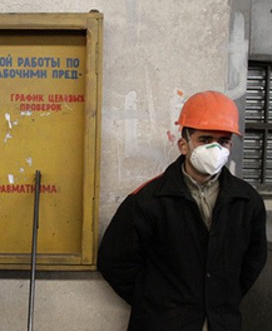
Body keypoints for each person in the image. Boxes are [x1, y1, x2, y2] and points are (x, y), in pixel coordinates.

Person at [97, 90, 268, 331]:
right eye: (205, 140)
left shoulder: (247, 202)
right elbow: (114, 261)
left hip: (221, 322)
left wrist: (221, 299)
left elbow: (254, 259)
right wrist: (156, 303)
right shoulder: (148, 200)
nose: (215, 149)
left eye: (223, 140)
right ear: (184, 144)